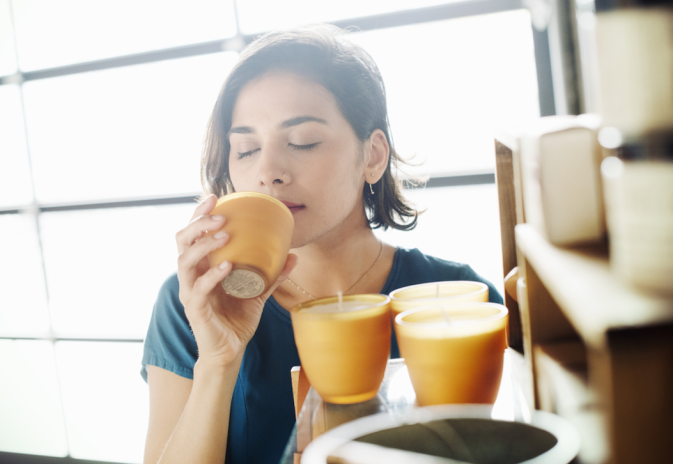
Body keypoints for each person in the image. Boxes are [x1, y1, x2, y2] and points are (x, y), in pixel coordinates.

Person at [141, 24, 503, 464]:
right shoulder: (193, 304)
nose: (268, 170)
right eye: (246, 149)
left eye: (302, 142)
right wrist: (217, 362)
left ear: (372, 156)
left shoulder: (458, 297)